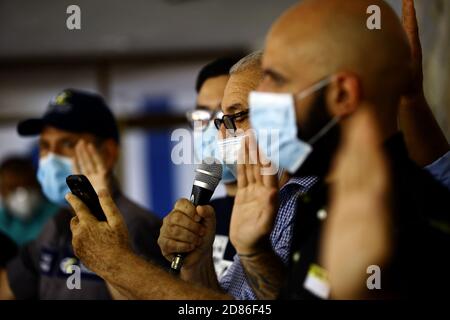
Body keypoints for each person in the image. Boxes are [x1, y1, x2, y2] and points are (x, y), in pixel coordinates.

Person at [243, 0, 450, 299]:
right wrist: (254, 250)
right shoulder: (318, 199)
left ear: (341, 94)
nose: (258, 96)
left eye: (276, 78)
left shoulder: (414, 227)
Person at [0, 89, 165, 300]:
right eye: (45, 146)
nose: (51, 157)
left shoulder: (137, 226)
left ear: (107, 153)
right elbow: (8, 287)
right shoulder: (56, 224)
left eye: (67, 144)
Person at [182, 57, 240, 277]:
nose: (212, 129)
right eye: (203, 115)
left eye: (226, 113)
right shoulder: (207, 215)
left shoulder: (285, 211)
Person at [0, 156, 59, 246]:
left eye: (27, 184)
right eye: (12, 188)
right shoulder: (2, 223)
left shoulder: (58, 214)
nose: (22, 193)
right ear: (2, 191)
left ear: (37, 183)